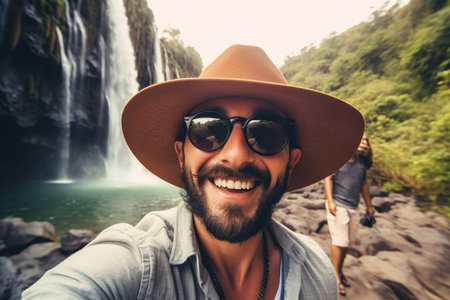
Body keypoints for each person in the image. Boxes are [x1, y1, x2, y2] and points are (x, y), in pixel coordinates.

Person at [23, 44, 364, 299]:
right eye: (208, 130)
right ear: (181, 154)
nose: (234, 154)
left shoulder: (317, 273)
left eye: (266, 133)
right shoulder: (136, 264)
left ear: (291, 161)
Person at [324, 133, 375, 296]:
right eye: (360, 139)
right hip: (338, 206)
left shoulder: (361, 163)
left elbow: (364, 184)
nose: (363, 142)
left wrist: (369, 205)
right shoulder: (338, 159)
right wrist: (330, 201)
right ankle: (335, 277)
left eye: (366, 140)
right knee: (340, 241)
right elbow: (328, 179)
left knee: (348, 243)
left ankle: (339, 271)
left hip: (354, 207)